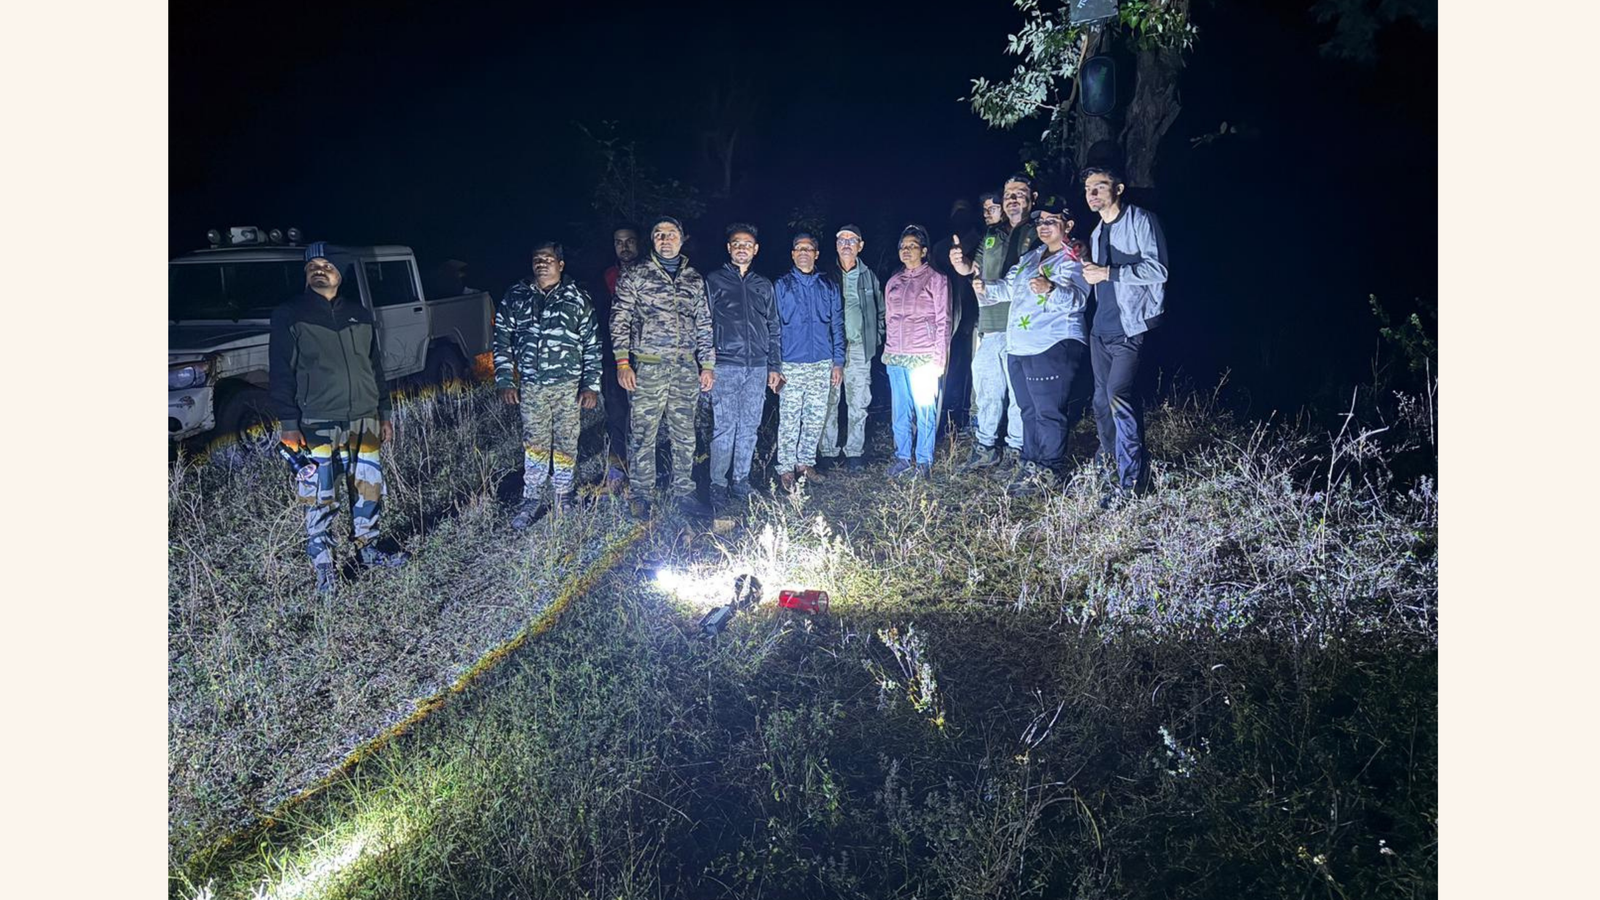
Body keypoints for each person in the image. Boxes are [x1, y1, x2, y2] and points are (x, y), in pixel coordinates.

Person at [269, 242, 410, 594]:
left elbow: (375, 367)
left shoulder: (360, 314)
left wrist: (385, 412)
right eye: (312, 265)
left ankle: (369, 549)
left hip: (364, 420)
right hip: (316, 423)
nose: (319, 269)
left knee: (368, 491)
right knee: (320, 498)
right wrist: (288, 424)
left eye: (326, 264)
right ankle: (325, 569)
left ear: (340, 272)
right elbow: (280, 372)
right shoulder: (289, 314)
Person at [977, 199, 1091, 497]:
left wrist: (1051, 289)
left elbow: (1080, 300)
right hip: (1020, 345)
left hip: (1053, 343)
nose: (1043, 227)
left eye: (1051, 221)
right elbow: (1007, 289)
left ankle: (1050, 469)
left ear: (1068, 225)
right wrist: (983, 288)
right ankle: (1030, 465)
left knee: (1048, 412)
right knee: (1027, 410)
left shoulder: (1076, 257)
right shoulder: (1031, 257)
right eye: (1040, 222)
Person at [612, 215, 716, 519]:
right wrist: (622, 362)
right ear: (652, 240)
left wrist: (706, 364)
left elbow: (705, 323)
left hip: (685, 368)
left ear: (682, 239)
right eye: (659, 234)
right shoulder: (636, 275)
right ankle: (642, 495)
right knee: (643, 433)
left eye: (671, 234)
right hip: (647, 368)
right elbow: (619, 319)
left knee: (685, 433)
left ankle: (683, 492)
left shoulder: (694, 279)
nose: (665, 239)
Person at [494, 241, 602, 527]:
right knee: (535, 444)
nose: (542, 263)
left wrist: (591, 385)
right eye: (537, 259)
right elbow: (502, 340)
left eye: (548, 259)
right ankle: (531, 499)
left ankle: (563, 496)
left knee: (566, 442)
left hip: (568, 386)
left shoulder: (577, 298)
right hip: (531, 386)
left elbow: (592, 345)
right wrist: (505, 379)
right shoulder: (516, 296)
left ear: (561, 264)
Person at [1082, 164, 1169, 507]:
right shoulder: (1095, 232)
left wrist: (1107, 272)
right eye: (1088, 189)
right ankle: (1112, 466)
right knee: (1101, 403)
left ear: (1117, 189)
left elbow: (1158, 269)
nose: (1092, 194)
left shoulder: (1141, 220)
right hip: (1100, 330)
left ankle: (1133, 482)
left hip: (1130, 327)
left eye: (1099, 187)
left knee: (1119, 397)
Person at [950, 174, 1039, 471]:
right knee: (987, 388)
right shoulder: (992, 235)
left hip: (1024, 326)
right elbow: (970, 268)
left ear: (1032, 198)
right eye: (1008, 193)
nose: (1013, 199)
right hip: (989, 324)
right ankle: (985, 446)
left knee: (1018, 393)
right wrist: (959, 263)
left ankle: (1016, 448)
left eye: (1019, 193)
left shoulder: (1040, 231)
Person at [705, 223, 781, 510]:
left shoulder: (764, 285)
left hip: (758, 367)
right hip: (725, 365)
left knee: (749, 427)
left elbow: (774, 327)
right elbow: (704, 324)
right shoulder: (714, 281)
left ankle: (741, 481)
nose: (741, 248)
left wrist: (774, 365)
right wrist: (707, 364)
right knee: (724, 428)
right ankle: (717, 485)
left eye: (747, 244)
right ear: (728, 248)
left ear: (756, 249)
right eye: (736, 243)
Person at [773, 233, 844, 492]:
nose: (804, 252)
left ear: (816, 254)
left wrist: (838, 362)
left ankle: (805, 463)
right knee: (790, 418)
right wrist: (775, 366)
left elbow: (837, 324)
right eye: (799, 248)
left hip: (822, 362)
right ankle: (785, 468)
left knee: (815, 417)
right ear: (793, 254)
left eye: (809, 248)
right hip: (791, 363)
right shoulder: (781, 286)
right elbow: (774, 327)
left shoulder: (828, 286)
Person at [882, 225, 950, 479]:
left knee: (924, 410)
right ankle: (902, 457)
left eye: (912, 246)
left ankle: (923, 460)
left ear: (923, 250)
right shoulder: (894, 282)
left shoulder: (936, 279)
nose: (906, 251)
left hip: (924, 357)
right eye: (903, 247)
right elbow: (889, 319)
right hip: (896, 357)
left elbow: (944, 320)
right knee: (900, 410)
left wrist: (939, 359)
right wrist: (888, 350)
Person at [818, 224, 884, 472]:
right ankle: (827, 451)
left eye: (851, 240)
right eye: (841, 240)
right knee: (829, 400)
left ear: (860, 246)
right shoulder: (826, 273)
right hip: (829, 347)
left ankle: (855, 452)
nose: (846, 244)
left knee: (859, 400)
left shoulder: (869, 276)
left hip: (858, 347)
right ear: (836, 246)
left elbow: (881, 312)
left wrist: (874, 339)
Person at [597, 224, 642, 487]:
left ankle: (642, 469)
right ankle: (618, 468)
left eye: (630, 241)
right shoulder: (605, 277)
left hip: (645, 357)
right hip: (613, 357)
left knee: (642, 416)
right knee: (615, 413)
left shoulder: (651, 274)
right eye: (618, 242)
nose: (624, 247)